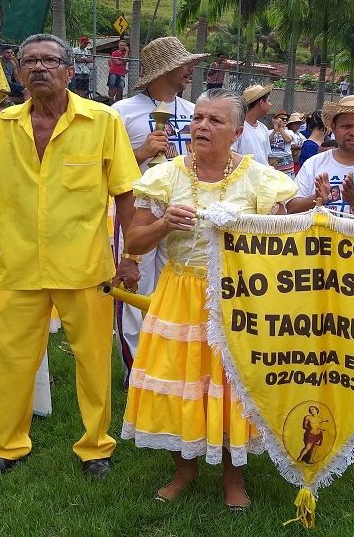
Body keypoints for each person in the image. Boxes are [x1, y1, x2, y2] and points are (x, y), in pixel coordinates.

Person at [0, 33, 140, 479]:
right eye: (30, 62)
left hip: (83, 266)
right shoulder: (2, 124)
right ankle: (4, 446)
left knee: (93, 359)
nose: (39, 68)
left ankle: (96, 447)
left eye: (49, 61)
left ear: (68, 70)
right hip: (20, 263)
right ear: (18, 73)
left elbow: (125, 193)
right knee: (11, 359)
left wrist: (130, 254)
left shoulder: (101, 121)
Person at [121, 87, 297, 508]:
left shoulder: (260, 178)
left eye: (215, 120)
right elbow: (135, 240)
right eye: (198, 118)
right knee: (182, 380)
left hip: (240, 297)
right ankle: (184, 470)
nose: (202, 126)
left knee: (233, 383)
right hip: (180, 293)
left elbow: (286, 235)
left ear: (237, 132)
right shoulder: (165, 176)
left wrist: (281, 220)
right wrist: (164, 224)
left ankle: (234, 478)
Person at [110, 36, 204, 383]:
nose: (190, 70)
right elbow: (106, 172)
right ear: (166, 69)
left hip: (183, 212)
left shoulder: (194, 112)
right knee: (136, 289)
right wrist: (140, 154)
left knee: (175, 287)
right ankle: (135, 374)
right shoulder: (121, 112)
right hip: (138, 213)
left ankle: (169, 367)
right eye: (184, 65)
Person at [233, 84, 272, 165]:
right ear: (261, 102)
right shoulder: (237, 127)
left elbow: (266, 157)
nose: (270, 104)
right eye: (268, 100)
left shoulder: (263, 128)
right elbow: (231, 155)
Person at [268, 111, 295, 176]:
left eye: (286, 119)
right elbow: (267, 142)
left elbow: (288, 139)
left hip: (285, 160)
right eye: (282, 119)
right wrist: (275, 130)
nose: (285, 120)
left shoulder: (289, 131)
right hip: (272, 159)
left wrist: (280, 128)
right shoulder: (268, 131)